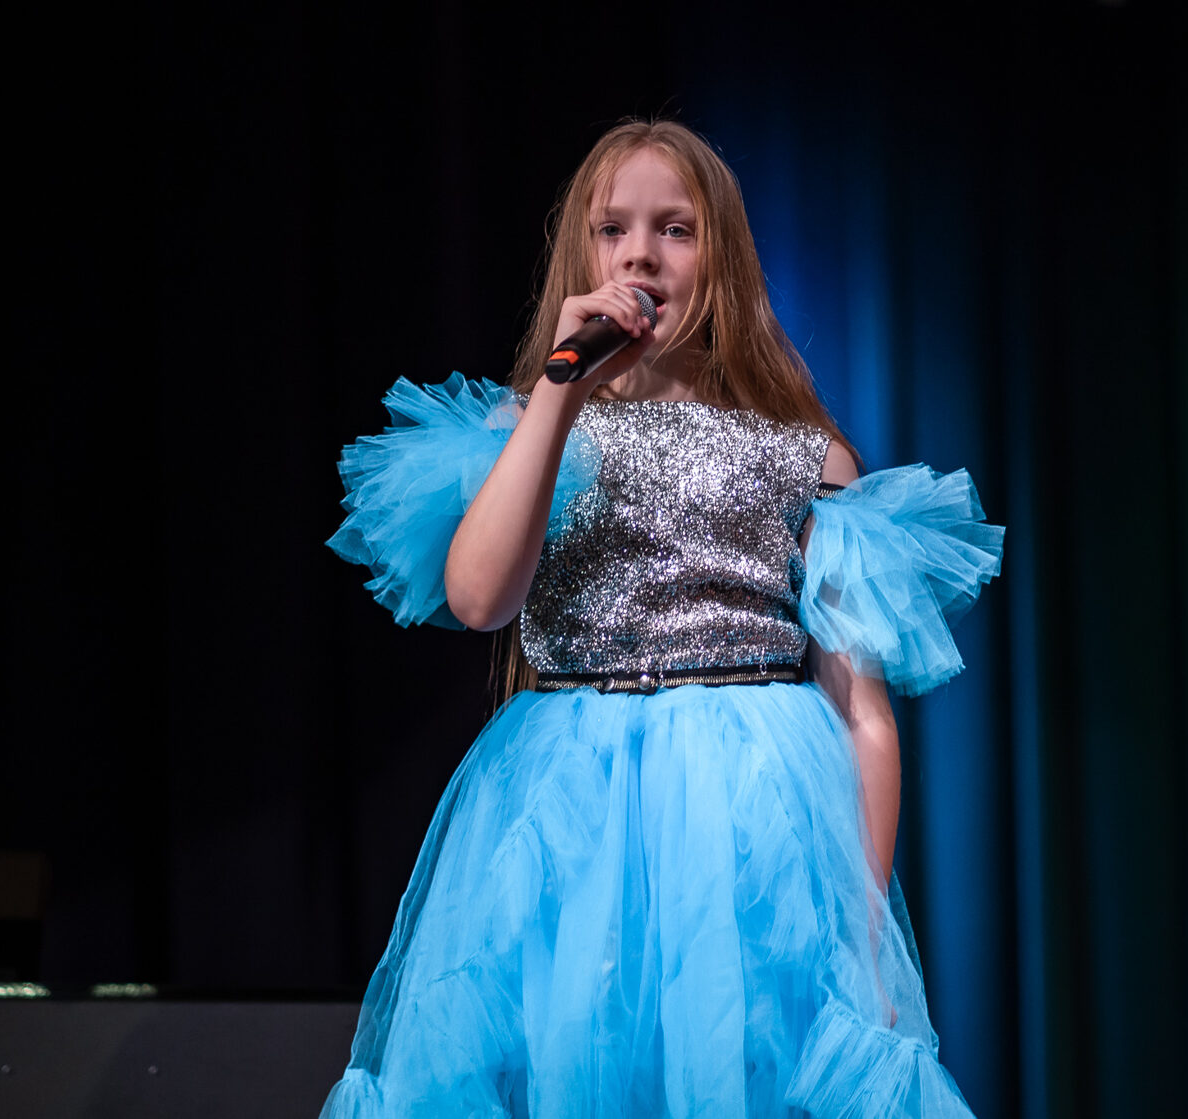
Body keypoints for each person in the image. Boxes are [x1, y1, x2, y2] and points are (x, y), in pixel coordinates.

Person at [322, 119, 1002, 1117]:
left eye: (675, 229)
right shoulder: (533, 428)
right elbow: (479, 598)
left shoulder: (802, 452)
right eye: (614, 229)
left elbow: (862, 714)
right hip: (569, 815)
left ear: (721, 258)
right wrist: (560, 391)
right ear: (583, 255)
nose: (640, 254)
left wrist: (862, 932)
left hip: (749, 821)